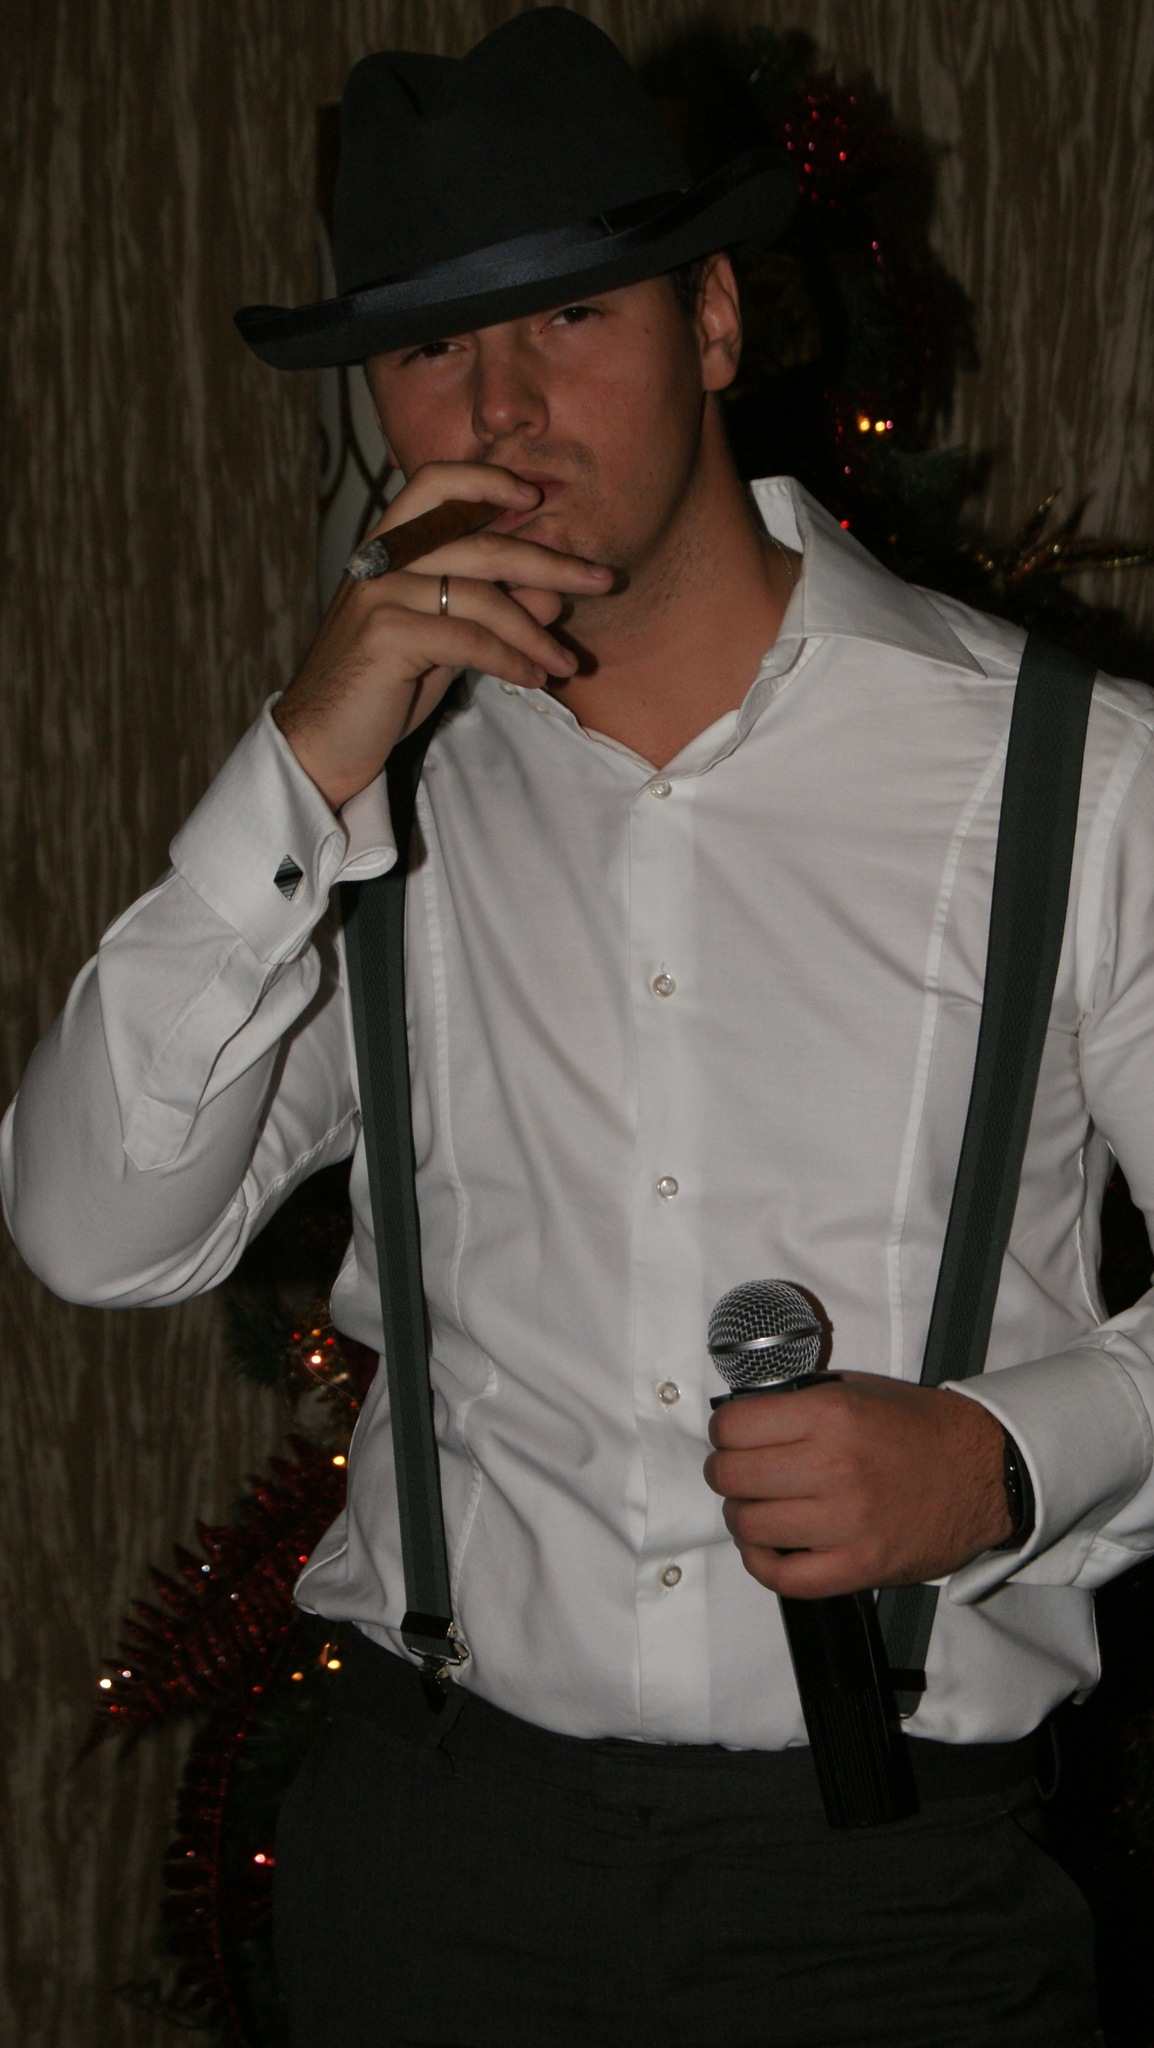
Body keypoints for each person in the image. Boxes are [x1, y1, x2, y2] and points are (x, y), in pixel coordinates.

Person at [5, 9, 1152, 2044]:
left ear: (711, 321)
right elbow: (97, 1231)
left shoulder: (1073, 772)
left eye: (568, 316)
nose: (502, 408)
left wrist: (1000, 1458)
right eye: (431, 346)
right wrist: (299, 770)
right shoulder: (366, 803)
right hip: (432, 1861)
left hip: (894, 1900)